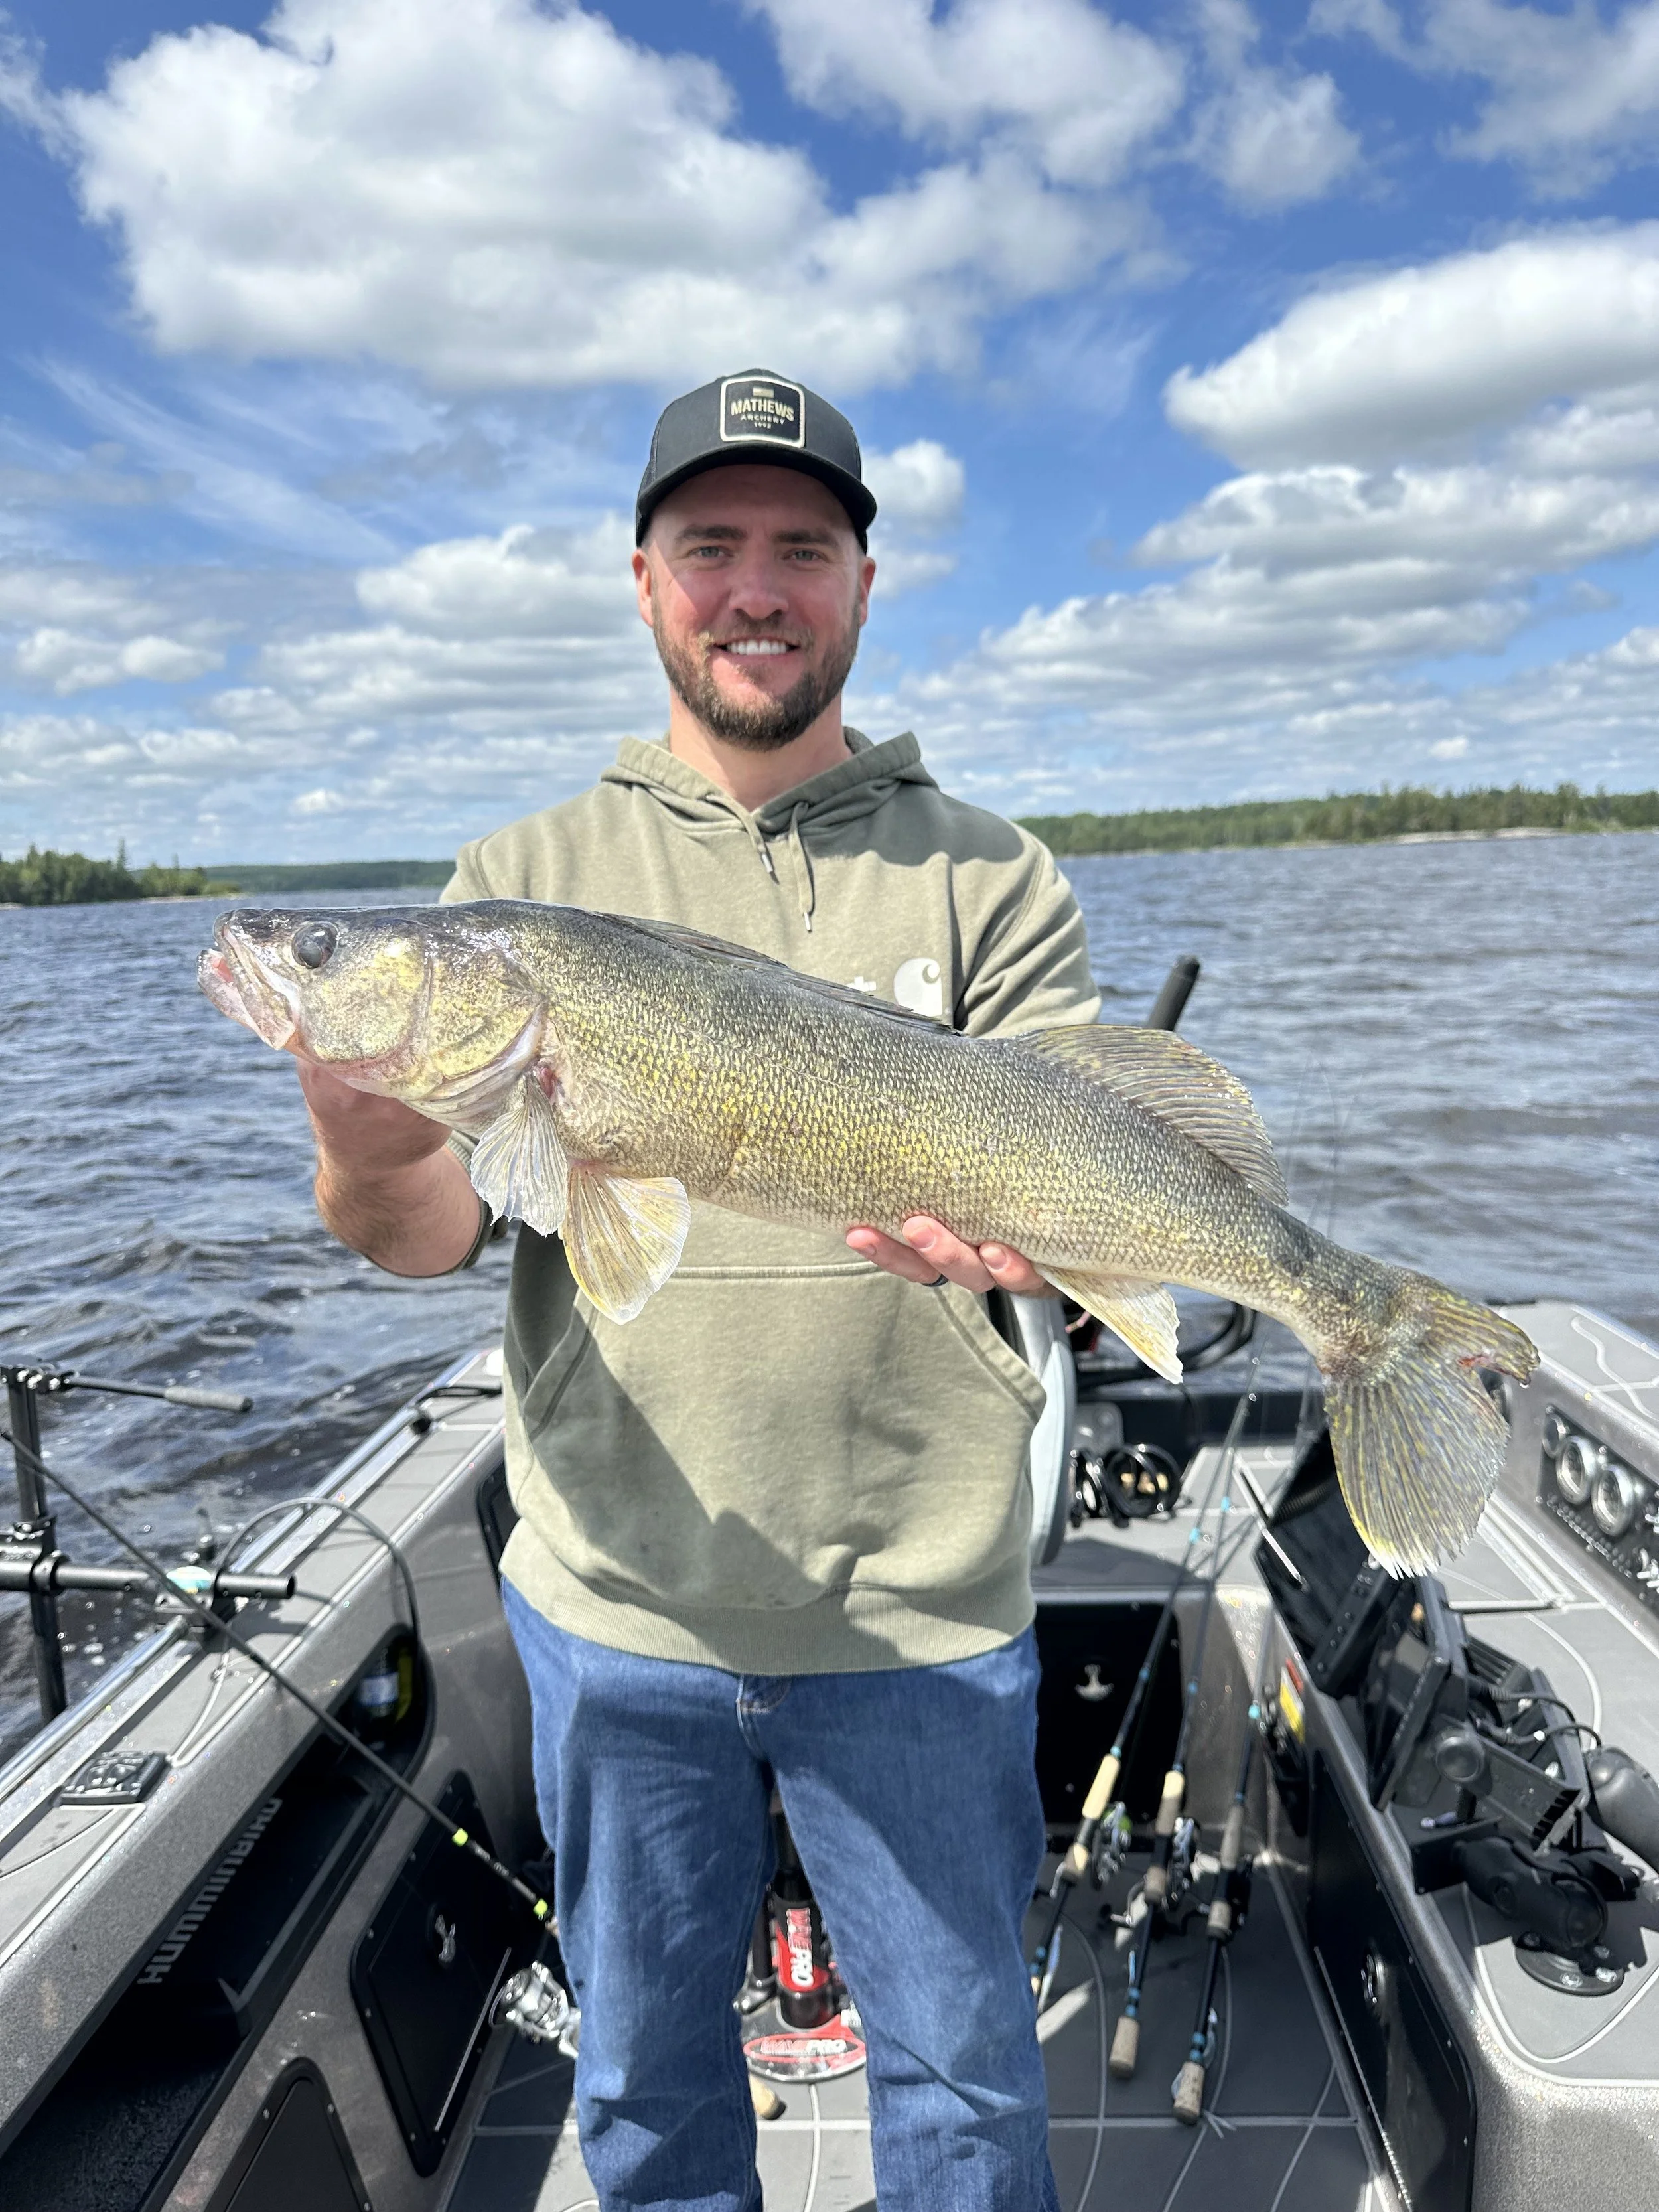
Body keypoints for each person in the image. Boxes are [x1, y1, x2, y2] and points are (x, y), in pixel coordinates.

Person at [300, 370, 1100, 2212]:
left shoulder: (992, 875)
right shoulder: (518, 888)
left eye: (799, 547)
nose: (755, 587)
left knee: (969, 2093)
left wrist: (1043, 1239)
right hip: (618, 1614)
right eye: (711, 545)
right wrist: (359, 1124)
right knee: (649, 2102)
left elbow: (1072, 1165)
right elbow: (422, 1234)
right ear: (643, 578)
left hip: (914, 1612)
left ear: (863, 586)